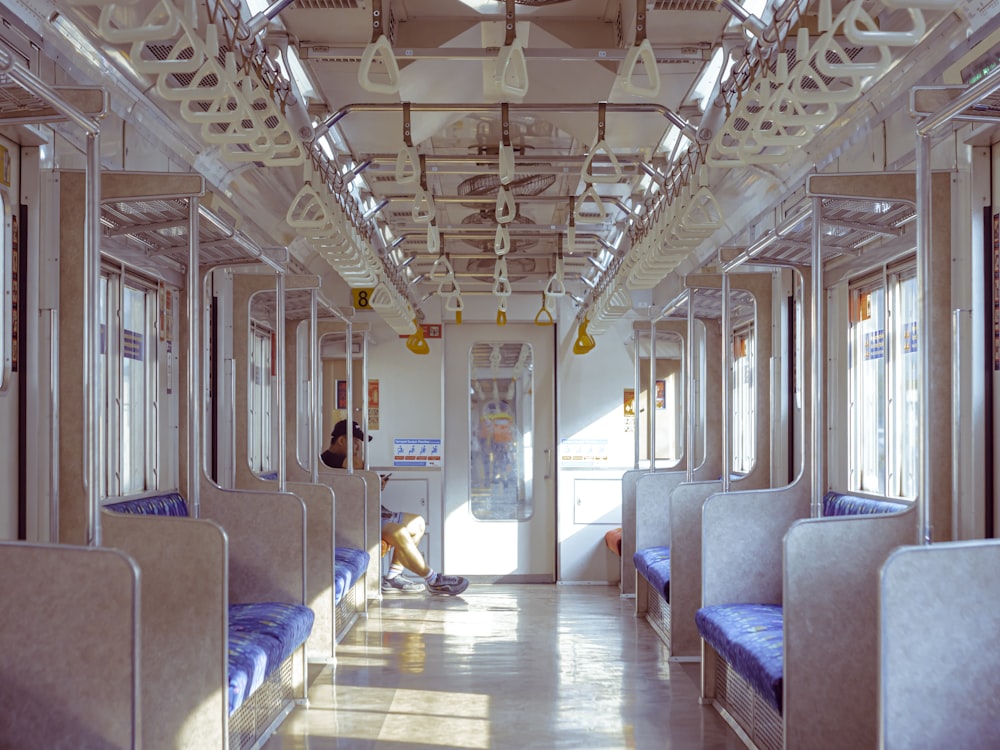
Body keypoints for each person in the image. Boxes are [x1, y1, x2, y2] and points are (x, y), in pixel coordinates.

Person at [321, 419, 469, 596]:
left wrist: (376, 485)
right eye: (355, 443)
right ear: (341, 441)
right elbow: (359, 468)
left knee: (417, 523)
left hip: (367, 513)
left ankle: (392, 577)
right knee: (398, 532)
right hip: (350, 521)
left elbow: (361, 484)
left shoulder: (348, 461)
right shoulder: (331, 460)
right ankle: (434, 580)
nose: (358, 448)